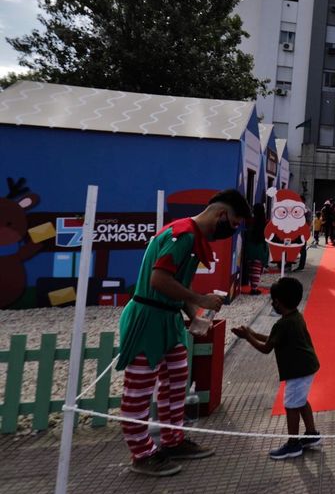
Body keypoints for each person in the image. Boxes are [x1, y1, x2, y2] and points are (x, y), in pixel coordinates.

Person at [116, 189, 249, 476]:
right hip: (148, 319)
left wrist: (193, 316)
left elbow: (179, 283)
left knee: (176, 379)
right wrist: (201, 300)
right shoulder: (183, 235)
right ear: (221, 214)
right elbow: (159, 279)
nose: (232, 230)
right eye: (234, 223)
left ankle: (172, 440)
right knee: (138, 390)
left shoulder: (192, 236)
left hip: (169, 318)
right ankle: (141, 453)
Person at [232, 277, 322, 459]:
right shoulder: (295, 317)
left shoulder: (283, 323)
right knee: (301, 401)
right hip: (306, 366)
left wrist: (248, 337)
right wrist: (251, 333)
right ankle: (311, 434)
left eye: (273, 301)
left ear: (278, 302)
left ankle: (293, 444)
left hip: (298, 370)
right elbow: (274, 338)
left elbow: (266, 348)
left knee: (291, 405)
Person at [241, 203, 269, 294]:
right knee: (258, 268)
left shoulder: (249, 221)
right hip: (261, 247)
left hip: (251, 245)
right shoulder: (266, 222)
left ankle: (253, 287)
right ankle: (254, 288)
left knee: (252, 267)